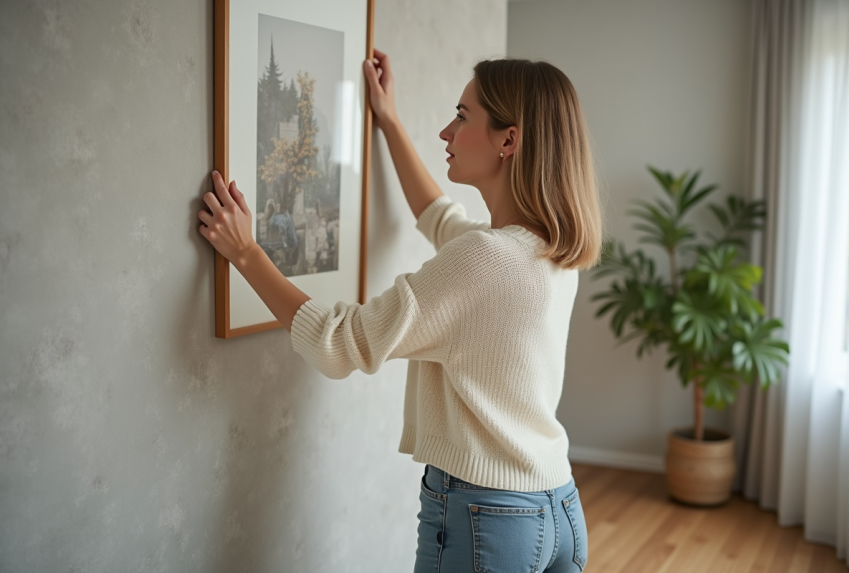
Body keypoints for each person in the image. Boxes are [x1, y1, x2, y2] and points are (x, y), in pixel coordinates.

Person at [198, 48, 602, 573]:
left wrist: (246, 253)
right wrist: (386, 119)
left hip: (489, 518)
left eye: (462, 116)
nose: (446, 133)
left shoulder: (483, 259)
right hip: (558, 507)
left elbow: (341, 344)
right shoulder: (549, 249)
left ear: (509, 139)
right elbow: (439, 217)